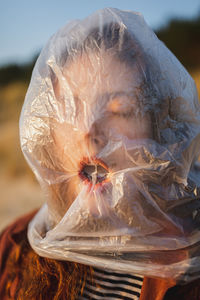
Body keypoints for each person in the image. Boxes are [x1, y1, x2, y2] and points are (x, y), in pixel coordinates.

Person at [1, 7, 200, 300]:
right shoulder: (14, 251)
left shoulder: (189, 268)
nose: (88, 129)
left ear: (158, 131)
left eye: (119, 109)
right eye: (70, 109)